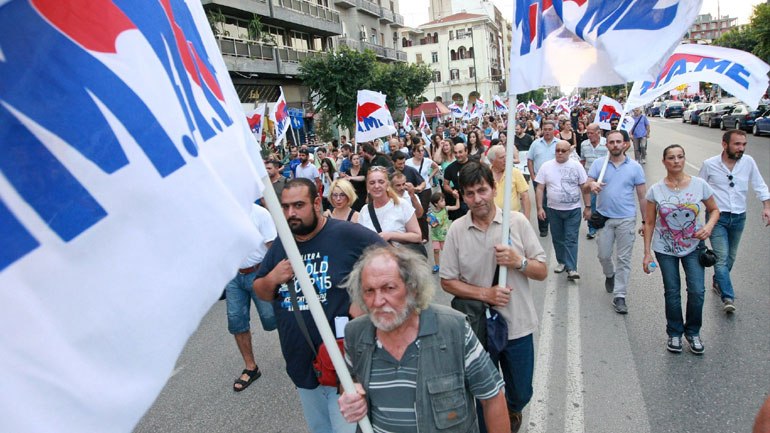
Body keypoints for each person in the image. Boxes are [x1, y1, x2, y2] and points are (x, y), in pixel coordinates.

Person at [253, 179, 385, 432]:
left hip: (346, 366)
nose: (291, 213)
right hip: (302, 365)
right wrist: (273, 278)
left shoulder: (348, 235)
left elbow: (395, 265)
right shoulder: (283, 243)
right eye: (285, 207)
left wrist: (365, 299)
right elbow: (262, 291)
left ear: (316, 203)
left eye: (298, 205)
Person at [338, 245, 510, 433]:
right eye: (369, 291)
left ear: (413, 289)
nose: (378, 301)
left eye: (389, 288)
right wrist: (351, 395)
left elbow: (492, 398)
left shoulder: (454, 329)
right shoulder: (355, 334)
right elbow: (349, 380)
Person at [440, 162, 548, 433]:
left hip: (517, 325)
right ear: (463, 197)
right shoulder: (457, 230)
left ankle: (511, 411)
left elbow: (542, 271)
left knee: (521, 392)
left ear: (494, 188)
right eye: (470, 193)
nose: (477, 199)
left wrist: (519, 261)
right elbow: (447, 281)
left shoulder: (517, 223)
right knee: (484, 396)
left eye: (482, 190)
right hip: (478, 329)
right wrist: (485, 293)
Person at [642, 145, 719, 355]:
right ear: (664, 162)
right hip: (665, 248)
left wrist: (708, 227)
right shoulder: (656, 190)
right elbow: (649, 222)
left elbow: (714, 210)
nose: (676, 161)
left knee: (697, 291)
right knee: (672, 292)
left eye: (680, 157)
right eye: (671, 157)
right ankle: (674, 332)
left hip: (694, 247)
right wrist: (647, 253)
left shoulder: (699, 185)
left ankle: (693, 332)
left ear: (684, 159)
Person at [698, 129, 770, 313]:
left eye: (744, 144)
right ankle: (727, 297)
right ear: (725, 145)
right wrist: (694, 217)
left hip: (739, 216)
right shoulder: (710, 164)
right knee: (721, 258)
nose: (741, 148)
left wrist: (767, 206)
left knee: (731, 257)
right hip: (717, 218)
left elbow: (759, 184)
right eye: (737, 144)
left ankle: (718, 280)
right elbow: (698, 190)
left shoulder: (748, 162)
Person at [583, 130, 647, 314]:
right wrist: (591, 185)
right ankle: (609, 274)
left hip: (626, 218)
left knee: (624, 259)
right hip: (605, 218)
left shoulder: (635, 167)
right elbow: (586, 186)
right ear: (607, 145)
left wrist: (645, 221)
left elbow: (642, 197)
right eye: (611, 142)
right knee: (603, 255)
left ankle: (620, 295)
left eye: (619, 141)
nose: (615, 145)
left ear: (625, 144)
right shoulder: (599, 164)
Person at [225, 204, 277, 392]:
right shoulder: (222, 213)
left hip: (259, 272)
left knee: (273, 318)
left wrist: (271, 277)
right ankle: (251, 367)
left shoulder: (260, 214)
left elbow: (273, 249)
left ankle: (297, 356)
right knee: (236, 320)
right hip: (233, 276)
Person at [535, 140, 589, 280]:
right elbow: (540, 188)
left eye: (563, 151)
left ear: (569, 152)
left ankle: (572, 268)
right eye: (557, 150)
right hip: (553, 210)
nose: (559, 153)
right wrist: (540, 208)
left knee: (571, 238)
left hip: (573, 209)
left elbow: (584, 187)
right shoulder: (546, 166)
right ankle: (562, 261)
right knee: (558, 238)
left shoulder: (576, 166)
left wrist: (588, 207)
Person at [357, 166, 422, 246]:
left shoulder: (402, 205)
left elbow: (417, 236)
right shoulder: (364, 211)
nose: (376, 186)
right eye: (372, 183)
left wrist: (391, 235)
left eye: (381, 182)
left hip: (399, 253)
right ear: (367, 187)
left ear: (387, 185)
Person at [528, 121, 559, 237]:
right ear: (542, 130)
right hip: (539, 179)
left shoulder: (559, 144)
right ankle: (543, 227)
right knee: (541, 203)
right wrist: (532, 176)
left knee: (555, 203)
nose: (547, 132)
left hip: (555, 180)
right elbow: (530, 160)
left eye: (550, 129)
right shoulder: (535, 144)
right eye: (545, 129)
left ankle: (555, 226)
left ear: (554, 130)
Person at [580, 123, 608, 239]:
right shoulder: (584, 144)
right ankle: (592, 228)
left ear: (599, 133)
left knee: (605, 203)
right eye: (588, 133)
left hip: (604, 179)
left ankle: (606, 226)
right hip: (590, 179)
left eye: (591, 133)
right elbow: (582, 160)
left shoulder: (606, 143)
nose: (589, 135)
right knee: (590, 203)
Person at [406, 143, 439, 241]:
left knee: (422, 212)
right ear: (414, 152)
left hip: (425, 189)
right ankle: (417, 233)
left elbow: (436, 167)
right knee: (414, 212)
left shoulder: (427, 161)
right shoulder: (408, 162)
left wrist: (430, 177)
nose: (421, 153)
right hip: (413, 190)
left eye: (422, 151)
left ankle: (424, 236)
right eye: (418, 151)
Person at [487, 144, 530, 218]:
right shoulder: (486, 174)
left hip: (513, 217)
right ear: (492, 161)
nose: (505, 160)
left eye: (506, 156)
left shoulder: (515, 172)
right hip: (492, 217)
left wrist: (526, 218)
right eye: (501, 158)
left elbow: (525, 196)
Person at [428, 191, 460, 273]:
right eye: (442, 201)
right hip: (435, 235)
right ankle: (437, 265)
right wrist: (429, 221)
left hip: (445, 236)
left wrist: (457, 198)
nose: (444, 202)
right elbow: (430, 223)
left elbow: (457, 207)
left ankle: (451, 264)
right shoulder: (431, 213)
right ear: (436, 204)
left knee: (447, 251)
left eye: (444, 200)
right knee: (436, 250)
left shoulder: (446, 209)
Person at [443, 142, 471, 220]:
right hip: (460, 201)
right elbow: (445, 185)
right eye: (455, 152)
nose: (458, 155)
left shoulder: (475, 164)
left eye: (460, 152)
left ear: (466, 151)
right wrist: (452, 192)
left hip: (474, 200)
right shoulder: (450, 168)